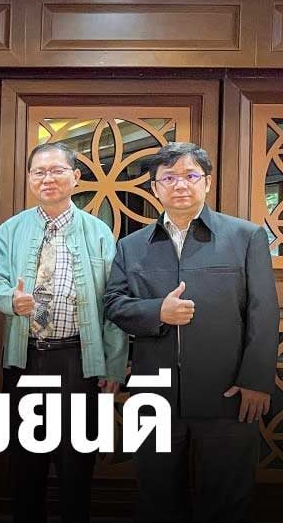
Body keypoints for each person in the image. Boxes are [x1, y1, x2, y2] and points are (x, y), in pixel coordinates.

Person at [103, 142, 277, 523]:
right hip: (155, 394)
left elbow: (263, 312)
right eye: (168, 178)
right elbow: (113, 304)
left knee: (227, 501)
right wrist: (157, 311)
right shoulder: (131, 246)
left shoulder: (245, 237)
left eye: (190, 175)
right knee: (157, 499)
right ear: (155, 188)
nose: (180, 184)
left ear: (207, 182)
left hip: (228, 392)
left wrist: (256, 381)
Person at [0, 142, 127, 523]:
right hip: (25, 358)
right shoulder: (10, 230)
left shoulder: (98, 232)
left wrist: (114, 365)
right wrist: (10, 301)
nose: (47, 178)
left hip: (78, 360)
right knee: (24, 464)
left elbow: (114, 302)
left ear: (75, 177)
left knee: (76, 463)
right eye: (39, 172)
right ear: (29, 179)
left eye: (57, 170)